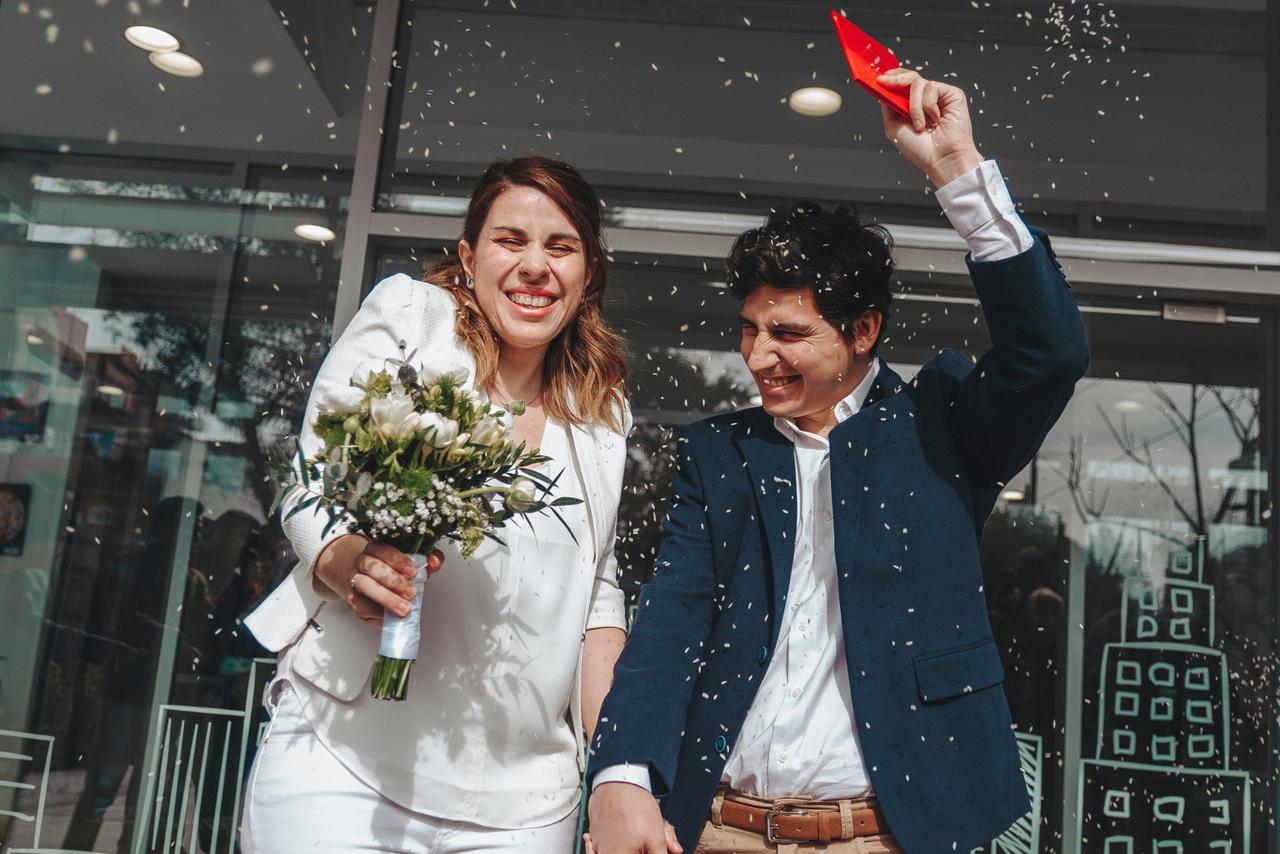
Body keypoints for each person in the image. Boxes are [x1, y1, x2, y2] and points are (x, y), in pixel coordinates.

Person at [585, 69, 1089, 854]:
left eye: (788, 333)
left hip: (886, 837)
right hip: (721, 829)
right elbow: (673, 621)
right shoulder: (719, 454)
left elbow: (1052, 352)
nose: (758, 356)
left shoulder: (944, 426)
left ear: (863, 330)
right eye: (749, 329)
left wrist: (959, 174)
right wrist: (620, 772)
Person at [239, 155, 631, 853]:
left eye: (561, 246)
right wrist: (349, 560)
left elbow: (595, 593)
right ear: (469, 255)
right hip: (344, 758)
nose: (535, 266)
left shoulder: (604, 414)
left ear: (588, 272)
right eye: (511, 240)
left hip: (524, 799)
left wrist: (617, 771)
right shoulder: (411, 319)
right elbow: (312, 483)